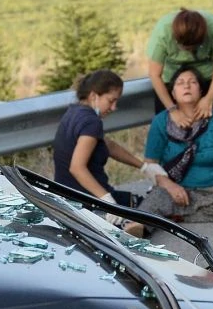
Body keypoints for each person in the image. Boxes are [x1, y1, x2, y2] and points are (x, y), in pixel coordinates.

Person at [134, 68, 213, 226]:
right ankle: (152, 220)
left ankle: (178, 215)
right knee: (155, 199)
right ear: (172, 94)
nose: (186, 86)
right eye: (180, 83)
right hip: (175, 191)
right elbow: (150, 163)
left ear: (201, 91)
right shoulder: (161, 121)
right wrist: (170, 186)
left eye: (192, 82)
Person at [53, 69, 149, 213]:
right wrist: (106, 199)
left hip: (66, 198)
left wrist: (144, 167)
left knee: (137, 204)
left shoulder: (75, 111)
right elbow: (77, 168)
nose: (114, 107)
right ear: (93, 96)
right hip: (88, 200)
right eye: (111, 100)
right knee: (149, 210)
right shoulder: (91, 122)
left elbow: (107, 145)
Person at [145, 8, 213, 125]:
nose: (188, 52)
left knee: (212, 124)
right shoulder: (163, 32)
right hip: (171, 76)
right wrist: (172, 110)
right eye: (185, 48)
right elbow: (154, 74)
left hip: (206, 73)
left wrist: (209, 97)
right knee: (168, 124)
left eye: (193, 47)